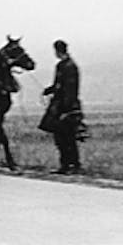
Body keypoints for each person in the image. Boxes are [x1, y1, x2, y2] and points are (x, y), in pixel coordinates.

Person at [40, 39, 84, 174]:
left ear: (58, 51)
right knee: (60, 137)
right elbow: (58, 85)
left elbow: (70, 89)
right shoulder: (62, 65)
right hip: (59, 104)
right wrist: (49, 90)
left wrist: (66, 109)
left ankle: (74, 165)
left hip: (66, 106)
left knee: (68, 136)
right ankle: (65, 165)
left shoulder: (70, 66)